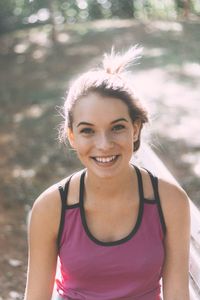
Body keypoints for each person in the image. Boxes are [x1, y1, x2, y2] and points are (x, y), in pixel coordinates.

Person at [24, 46, 190, 300]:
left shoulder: (169, 201)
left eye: (117, 128)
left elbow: (178, 294)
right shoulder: (50, 207)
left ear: (135, 129)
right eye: (88, 130)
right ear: (72, 136)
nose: (104, 144)